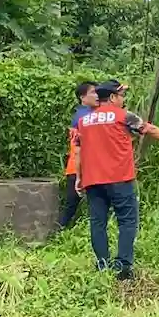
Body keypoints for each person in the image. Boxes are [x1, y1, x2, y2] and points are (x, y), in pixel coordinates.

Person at [73, 79, 159, 280]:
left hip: (93, 181)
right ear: (112, 97)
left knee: (98, 223)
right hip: (120, 178)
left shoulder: (83, 122)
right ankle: (123, 267)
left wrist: (79, 177)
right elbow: (150, 129)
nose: (123, 99)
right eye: (121, 95)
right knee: (127, 221)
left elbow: (78, 151)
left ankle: (102, 264)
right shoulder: (122, 116)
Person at [58, 80, 99, 231]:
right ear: (82, 97)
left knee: (74, 203)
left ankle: (61, 230)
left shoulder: (87, 113)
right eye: (93, 92)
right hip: (79, 166)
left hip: (82, 166)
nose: (97, 95)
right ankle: (60, 230)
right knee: (72, 203)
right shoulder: (84, 116)